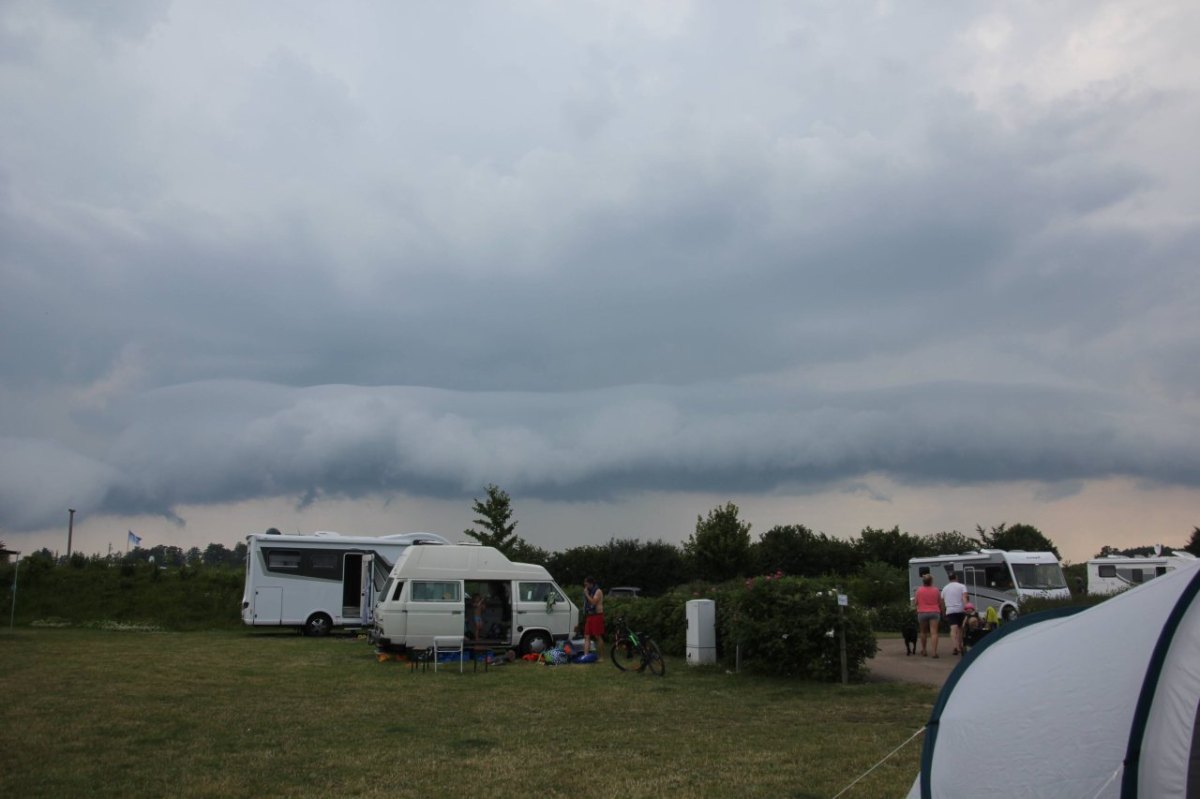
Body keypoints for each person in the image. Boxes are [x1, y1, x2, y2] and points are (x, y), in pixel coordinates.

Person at [941, 572, 970, 656]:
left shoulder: (945, 588)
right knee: (960, 629)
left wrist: (943, 612)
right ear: (956, 577)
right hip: (960, 610)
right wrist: (967, 608)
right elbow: (964, 597)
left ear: (949, 579)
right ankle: (960, 645)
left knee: (953, 629)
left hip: (950, 610)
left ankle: (955, 647)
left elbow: (942, 602)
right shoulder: (962, 586)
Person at [914, 573, 942, 658]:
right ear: (931, 581)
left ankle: (924, 650)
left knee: (923, 632)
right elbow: (939, 602)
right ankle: (934, 652)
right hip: (934, 612)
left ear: (923, 582)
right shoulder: (936, 590)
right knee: (934, 632)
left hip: (922, 612)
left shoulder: (919, 590)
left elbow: (916, 602)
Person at [582, 576, 605, 658]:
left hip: (597, 615)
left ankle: (601, 656)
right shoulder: (588, 590)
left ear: (591, 583)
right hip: (590, 615)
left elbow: (593, 602)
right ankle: (585, 655)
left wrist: (587, 594)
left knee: (597, 636)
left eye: (586, 583)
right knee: (587, 635)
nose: (585, 584)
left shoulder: (598, 591)